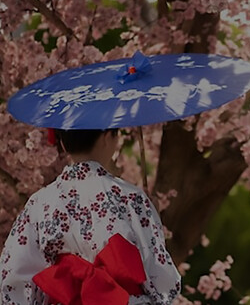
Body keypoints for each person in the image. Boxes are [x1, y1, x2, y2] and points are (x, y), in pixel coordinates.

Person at [0, 129, 181, 304]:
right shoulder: (131, 197)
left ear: (62, 143)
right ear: (107, 136)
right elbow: (162, 281)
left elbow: (13, 276)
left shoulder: (40, 202)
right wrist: (150, 213)